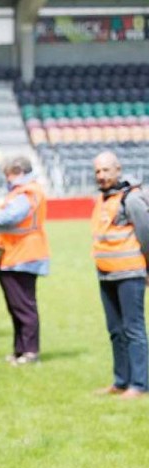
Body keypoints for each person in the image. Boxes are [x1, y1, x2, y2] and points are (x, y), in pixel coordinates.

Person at [0, 155, 50, 366]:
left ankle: (29, 351)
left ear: (18, 172)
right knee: (16, 306)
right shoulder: (25, 191)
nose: (7, 179)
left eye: (8, 174)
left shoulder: (26, 193)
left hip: (24, 255)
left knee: (23, 306)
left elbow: (10, 217)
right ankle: (20, 349)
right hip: (15, 254)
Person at [90, 151, 149, 398]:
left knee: (133, 329)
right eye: (97, 172)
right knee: (115, 330)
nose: (101, 176)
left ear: (118, 170)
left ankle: (140, 384)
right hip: (106, 274)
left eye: (106, 170)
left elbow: (146, 234)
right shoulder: (103, 200)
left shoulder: (131, 199)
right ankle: (121, 381)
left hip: (130, 273)